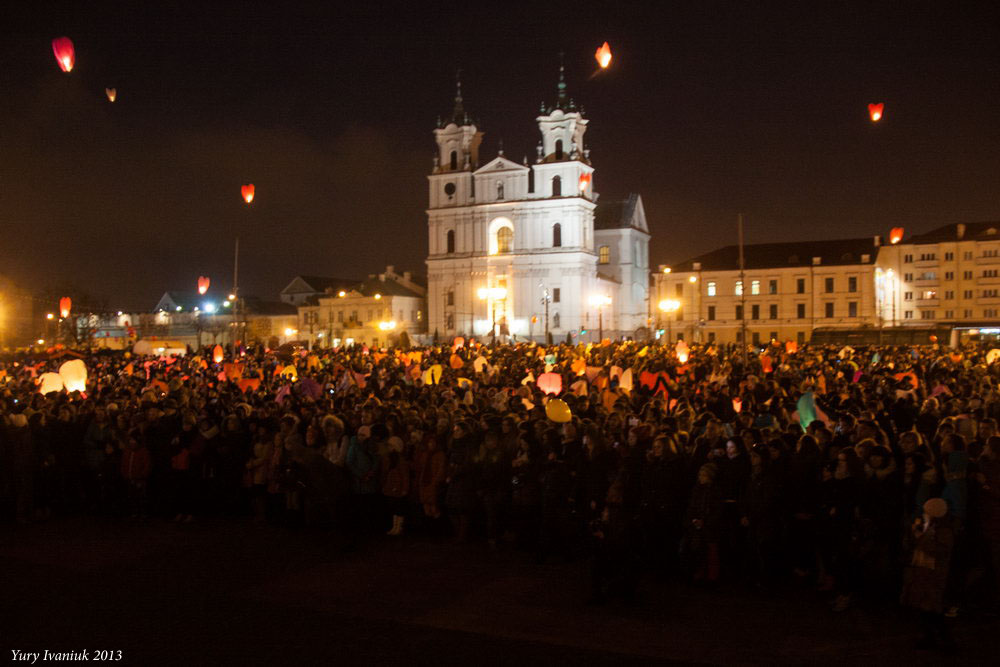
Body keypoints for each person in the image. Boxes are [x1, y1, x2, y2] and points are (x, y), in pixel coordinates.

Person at [902, 497, 956, 651]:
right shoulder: (929, 526)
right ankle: (929, 637)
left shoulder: (944, 531)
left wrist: (920, 538)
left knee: (932, 609)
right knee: (925, 609)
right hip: (923, 573)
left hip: (934, 574)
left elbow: (939, 551)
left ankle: (945, 640)